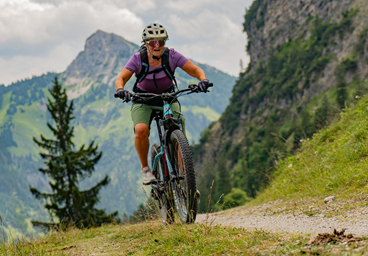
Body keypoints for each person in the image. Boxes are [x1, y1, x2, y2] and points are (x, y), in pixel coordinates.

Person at [115, 23, 211, 185]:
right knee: (141, 129)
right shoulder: (138, 59)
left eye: (161, 41)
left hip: (167, 98)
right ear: (146, 44)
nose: (157, 45)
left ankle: (187, 183)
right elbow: (121, 78)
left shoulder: (172, 56)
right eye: (152, 42)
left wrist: (203, 80)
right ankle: (146, 169)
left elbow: (195, 70)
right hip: (143, 100)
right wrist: (120, 89)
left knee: (177, 128)